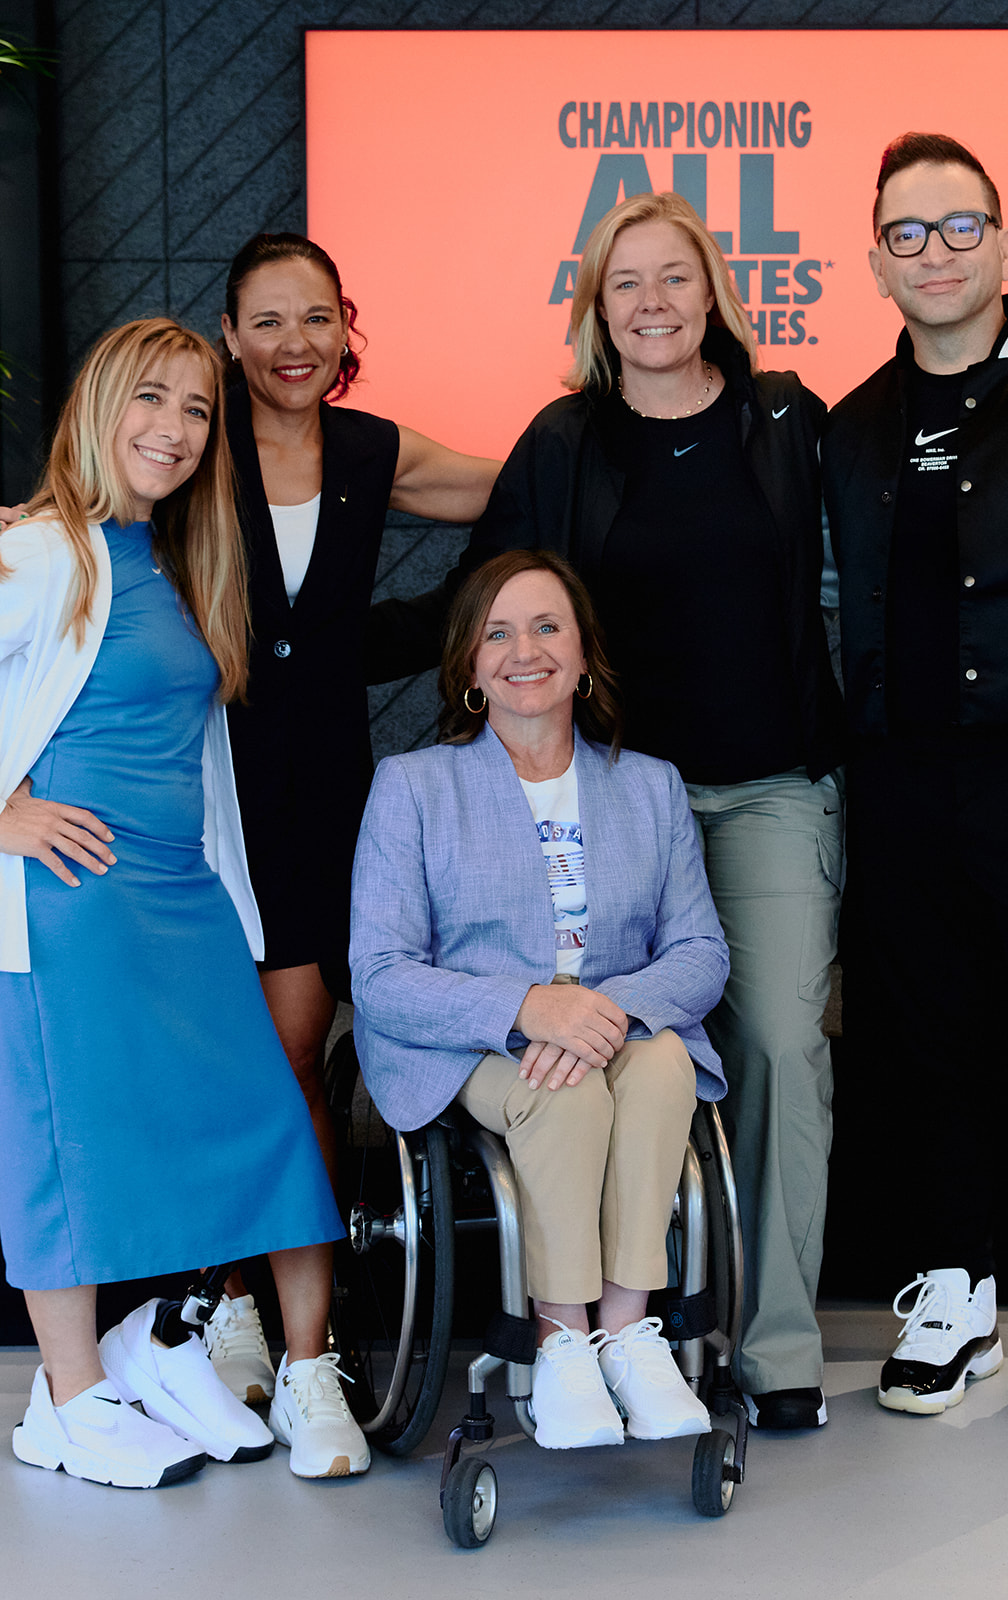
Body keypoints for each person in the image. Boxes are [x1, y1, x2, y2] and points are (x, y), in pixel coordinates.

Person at [391, 193, 845, 1429]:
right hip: (607, 795)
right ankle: (591, 1331)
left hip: (761, 786)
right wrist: (289, 647)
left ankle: (775, 1345)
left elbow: (860, 570)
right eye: (624, 283)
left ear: (713, 292)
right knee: (592, 1048)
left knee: (772, 1049)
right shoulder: (566, 441)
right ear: (597, 309)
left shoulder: (784, 419)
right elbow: (476, 600)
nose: (651, 303)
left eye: (673, 278)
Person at [0, 316, 370, 1489]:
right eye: (148, 401)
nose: (173, 428)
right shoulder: (46, 548)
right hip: (71, 902)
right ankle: (64, 1402)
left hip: (179, 894)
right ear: (97, 410)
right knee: (66, 1145)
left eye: (196, 410)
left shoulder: (162, 554)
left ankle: (153, 1348)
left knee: (253, 1123)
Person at [186, 233, 501, 1396]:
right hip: (211, 787)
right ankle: (230, 1303)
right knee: (247, 1055)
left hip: (332, 794)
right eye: (267, 321)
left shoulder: (368, 450)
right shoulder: (193, 441)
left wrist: (432, 626)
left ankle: (294, 1327)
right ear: (228, 334)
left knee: (297, 1057)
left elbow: (503, 490)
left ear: (345, 330)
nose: (292, 344)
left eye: (316, 318)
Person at [350, 549, 729, 1449]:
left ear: (585, 653)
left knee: (666, 1058)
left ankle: (631, 1335)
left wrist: (607, 1016)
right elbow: (382, 972)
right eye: (498, 632)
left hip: (613, 1025)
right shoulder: (416, 787)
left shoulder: (650, 785)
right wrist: (529, 1009)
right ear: (470, 666)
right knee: (564, 1085)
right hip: (472, 1042)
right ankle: (563, 1342)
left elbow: (700, 951)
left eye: (548, 625)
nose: (527, 649)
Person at [822, 133, 1008, 1415]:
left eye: (960, 227)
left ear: (1004, 242)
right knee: (934, 1039)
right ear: (876, 262)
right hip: (901, 778)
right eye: (909, 234)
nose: (936, 253)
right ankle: (957, 1290)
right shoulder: (848, 427)